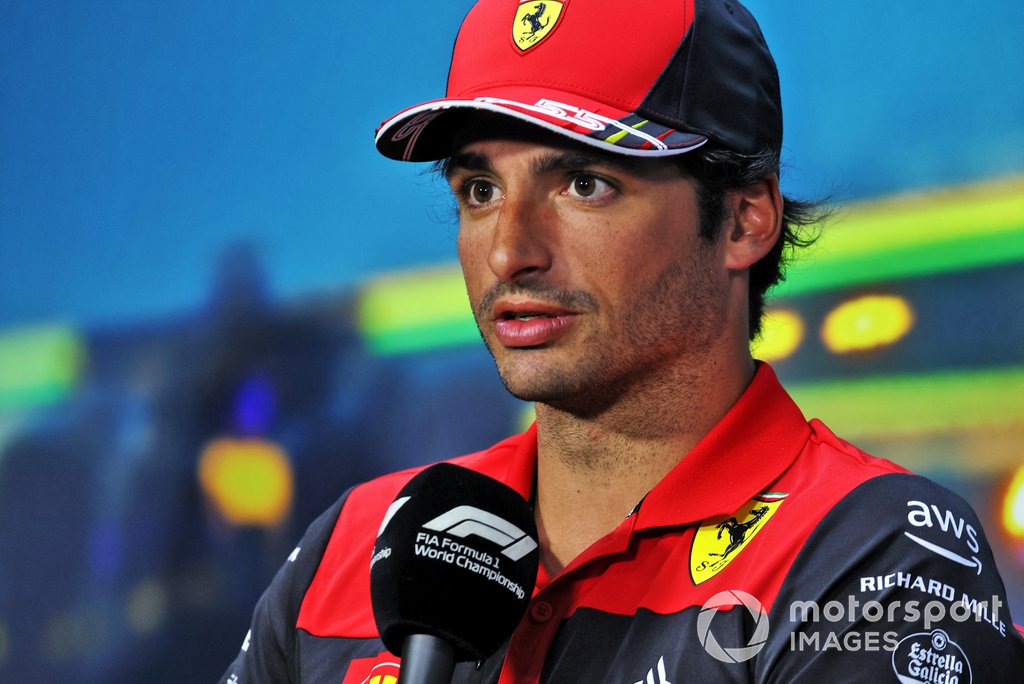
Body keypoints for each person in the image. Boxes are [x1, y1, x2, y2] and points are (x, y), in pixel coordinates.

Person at [222, 0, 1024, 681]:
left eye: (583, 183)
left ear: (746, 218)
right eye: (479, 189)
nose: (509, 251)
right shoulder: (355, 539)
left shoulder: (877, 552)